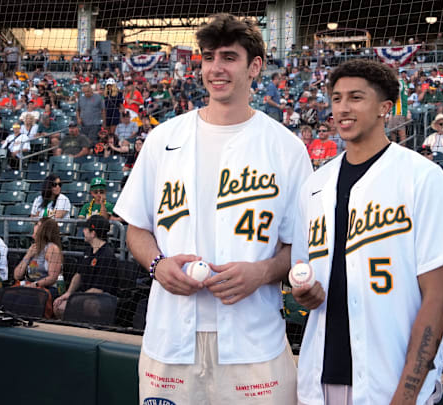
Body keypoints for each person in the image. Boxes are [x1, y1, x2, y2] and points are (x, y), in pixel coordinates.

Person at [114, 14, 312, 404]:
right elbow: (136, 228)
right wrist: (158, 265)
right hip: (170, 336)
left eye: (228, 57)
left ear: (254, 66)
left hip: (254, 340)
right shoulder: (163, 139)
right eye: (208, 58)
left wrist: (262, 272)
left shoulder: (286, 148)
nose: (215, 68)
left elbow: (301, 246)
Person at [291, 58, 443, 405]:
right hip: (320, 380)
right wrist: (305, 293)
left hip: (391, 380)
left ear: (384, 109)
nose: (342, 108)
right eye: (336, 98)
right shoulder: (314, 185)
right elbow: (305, 272)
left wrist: (406, 393)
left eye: (356, 98)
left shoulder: (421, 177)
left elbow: (438, 297)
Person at [53, 215, 117, 319]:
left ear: (93, 233)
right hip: (85, 295)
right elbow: (79, 274)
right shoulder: (88, 251)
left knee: (68, 306)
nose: (83, 231)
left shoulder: (107, 255)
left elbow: (99, 290)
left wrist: (75, 298)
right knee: (58, 305)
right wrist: (68, 293)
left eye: (86, 229)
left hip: (101, 299)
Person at [12, 217, 63, 298]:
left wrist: (34, 285)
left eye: (38, 225)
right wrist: (28, 256)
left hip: (46, 289)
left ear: (44, 230)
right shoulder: (33, 247)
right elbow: (17, 276)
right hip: (29, 285)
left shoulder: (52, 249)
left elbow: (53, 278)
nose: (34, 227)